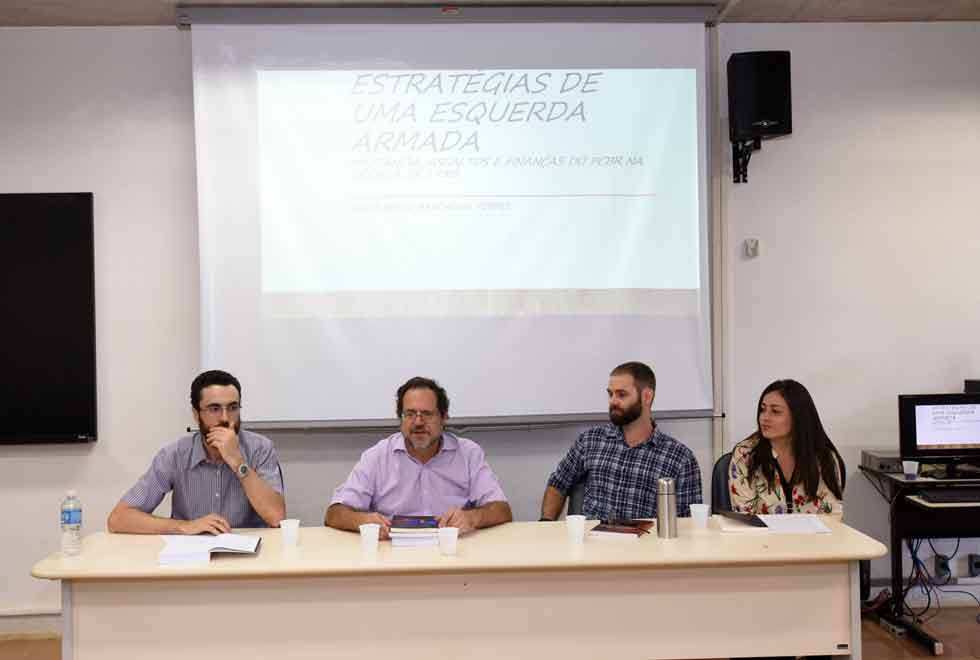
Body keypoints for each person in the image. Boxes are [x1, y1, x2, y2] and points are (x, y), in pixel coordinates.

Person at [325, 377, 512, 539]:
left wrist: (472, 518)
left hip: (453, 552)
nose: (418, 422)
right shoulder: (378, 456)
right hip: (392, 555)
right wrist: (363, 521)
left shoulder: (468, 453)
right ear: (401, 418)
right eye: (410, 414)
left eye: (427, 414)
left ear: (444, 417)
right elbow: (334, 514)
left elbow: (502, 510)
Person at [107, 370, 285, 534]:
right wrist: (183, 526)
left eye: (232, 408)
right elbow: (119, 519)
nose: (224, 418)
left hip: (248, 558)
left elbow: (277, 518)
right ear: (196, 414)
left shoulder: (261, 449)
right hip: (191, 559)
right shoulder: (175, 454)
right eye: (214, 409)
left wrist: (238, 462)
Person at [540, 361, 703, 521]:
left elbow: (687, 523)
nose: (613, 401)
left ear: (647, 396)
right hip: (592, 543)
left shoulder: (680, 458)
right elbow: (558, 483)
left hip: (646, 545)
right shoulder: (590, 441)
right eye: (610, 394)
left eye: (621, 394)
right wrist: (546, 523)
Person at [729, 379, 845, 515]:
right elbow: (745, 518)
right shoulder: (746, 454)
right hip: (762, 536)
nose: (764, 417)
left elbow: (831, 517)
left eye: (775, 411)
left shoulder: (823, 456)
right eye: (762, 409)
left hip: (812, 536)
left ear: (798, 416)